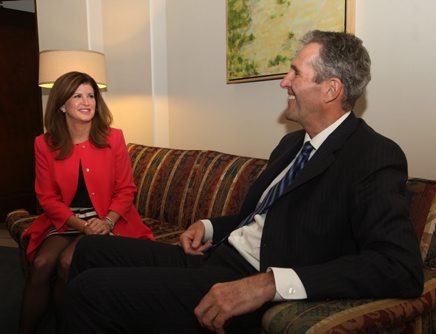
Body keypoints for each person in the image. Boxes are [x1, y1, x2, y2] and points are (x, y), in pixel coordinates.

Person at [62, 31, 424, 334]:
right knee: (90, 250)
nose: (284, 82)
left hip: (247, 280)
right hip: (216, 258)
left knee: (89, 291)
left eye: (295, 73)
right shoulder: (291, 145)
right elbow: (262, 216)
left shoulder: (372, 156)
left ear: (330, 89)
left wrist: (270, 283)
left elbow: (399, 267)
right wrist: (207, 226)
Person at [19, 71, 154, 333]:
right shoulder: (44, 144)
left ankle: (67, 325)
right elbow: (47, 197)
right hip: (66, 220)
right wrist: (81, 225)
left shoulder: (113, 138)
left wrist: (107, 221)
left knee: (68, 262)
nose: (86, 102)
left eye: (91, 95)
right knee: (42, 263)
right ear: (61, 104)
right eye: (77, 96)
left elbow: (126, 189)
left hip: (107, 218)